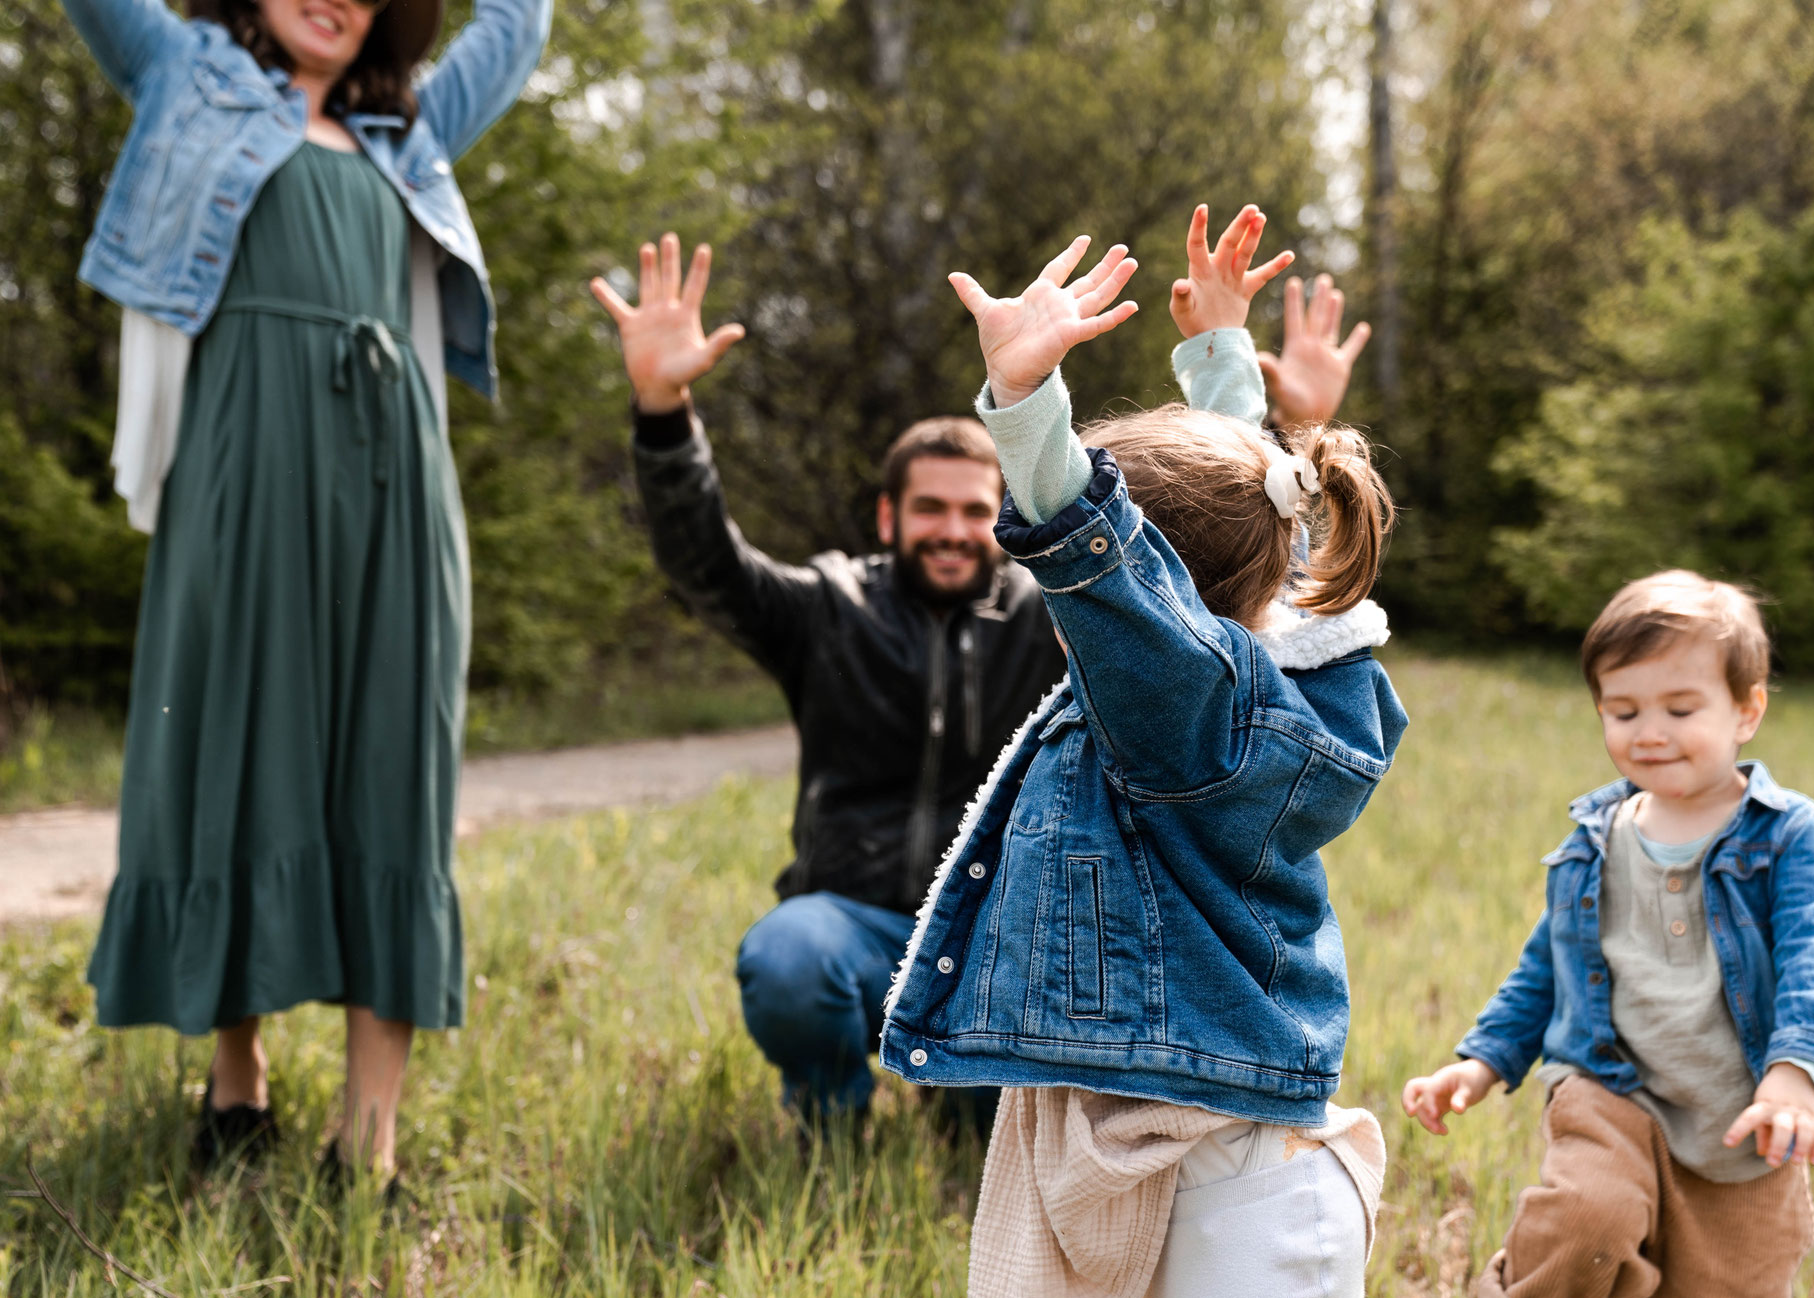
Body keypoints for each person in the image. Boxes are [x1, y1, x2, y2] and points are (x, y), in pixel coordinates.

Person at [590, 228, 1371, 1129]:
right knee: (790, 954)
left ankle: (968, 1111)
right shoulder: (828, 608)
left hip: (1011, 937)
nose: (956, 529)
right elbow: (706, 567)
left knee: (1002, 1121)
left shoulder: (1059, 612)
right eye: (930, 508)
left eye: (975, 508)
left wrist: (1274, 429)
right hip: (858, 921)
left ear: (1002, 508)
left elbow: (1202, 580)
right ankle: (831, 1119)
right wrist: (661, 410)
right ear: (890, 514)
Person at [878, 204, 1403, 1298]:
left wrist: (1025, 407)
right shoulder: (1258, 664)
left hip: (1255, 1210)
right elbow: (1249, 510)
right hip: (1227, 1165)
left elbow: (1120, 565)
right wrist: (1220, 357)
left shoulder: (1189, 716)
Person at [67, 0, 552, 1184]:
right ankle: (236, 1088)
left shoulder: (412, 121)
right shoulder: (182, 71)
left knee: (395, 759)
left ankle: (368, 1137)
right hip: (241, 464)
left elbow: (522, 19)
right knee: (233, 738)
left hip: (395, 478)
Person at [1401, 571, 1814, 1298]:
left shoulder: (1788, 836)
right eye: (1623, 709)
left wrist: (1795, 1079)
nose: (1650, 730)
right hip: (1612, 1086)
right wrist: (1479, 1062)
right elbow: (1545, 964)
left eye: (1681, 709)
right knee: (1587, 1212)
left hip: (1738, 1119)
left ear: (1747, 709)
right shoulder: (1596, 837)